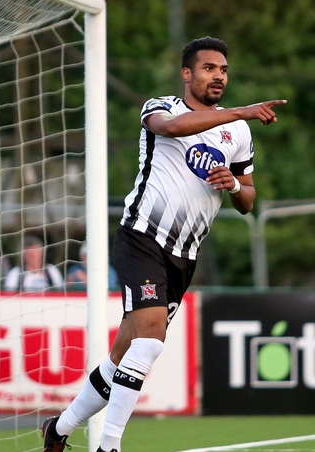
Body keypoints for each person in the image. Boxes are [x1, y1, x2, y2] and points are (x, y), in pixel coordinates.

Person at [40, 37, 285, 452]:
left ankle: (59, 429)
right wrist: (239, 110)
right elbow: (170, 130)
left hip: (184, 256)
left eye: (223, 70)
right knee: (150, 341)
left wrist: (233, 186)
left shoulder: (238, 132)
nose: (218, 77)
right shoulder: (163, 107)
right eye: (209, 69)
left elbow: (248, 198)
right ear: (187, 73)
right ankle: (109, 446)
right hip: (142, 238)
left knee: (122, 357)